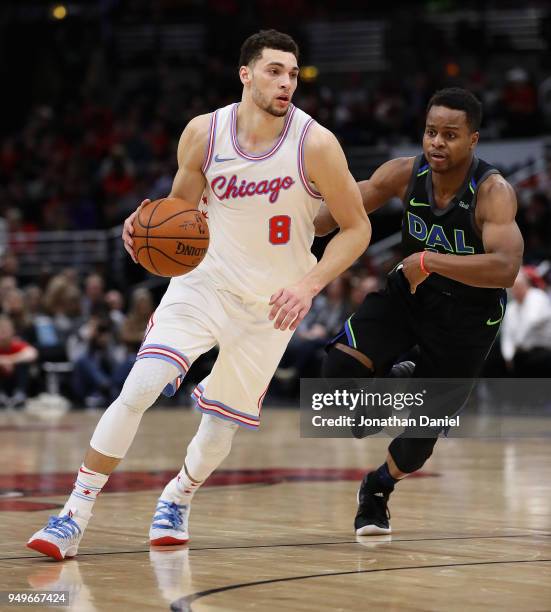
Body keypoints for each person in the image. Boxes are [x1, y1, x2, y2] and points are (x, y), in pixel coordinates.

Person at [27, 29, 370, 560]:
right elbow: (178, 215)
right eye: (275, 71)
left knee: (218, 430)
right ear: (246, 74)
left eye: (293, 74)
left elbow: (357, 229)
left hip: (272, 305)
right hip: (203, 285)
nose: (286, 83)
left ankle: (178, 495)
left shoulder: (316, 143)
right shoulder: (204, 134)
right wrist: (145, 230)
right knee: (139, 387)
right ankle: (73, 513)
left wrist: (308, 285)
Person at [315, 88, 523, 536]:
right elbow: (336, 211)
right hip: (410, 295)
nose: (437, 143)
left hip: (468, 320)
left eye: (450, 134)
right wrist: (275, 221)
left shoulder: (493, 192)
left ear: (473, 140)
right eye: (431, 132)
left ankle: (376, 488)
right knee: (336, 378)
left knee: (416, 446)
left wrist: (430, 260)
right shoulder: (403, 173)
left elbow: (506, 268)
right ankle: (395, 384)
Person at [0, 315, 38, 409]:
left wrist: (10, 360)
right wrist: (3, 361)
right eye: (1, 330)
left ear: (12, 331)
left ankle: (20, 395)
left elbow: (32, 353)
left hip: (15, 380)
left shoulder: (17, 344)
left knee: (23, 363)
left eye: (6, 330)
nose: (3, 333)